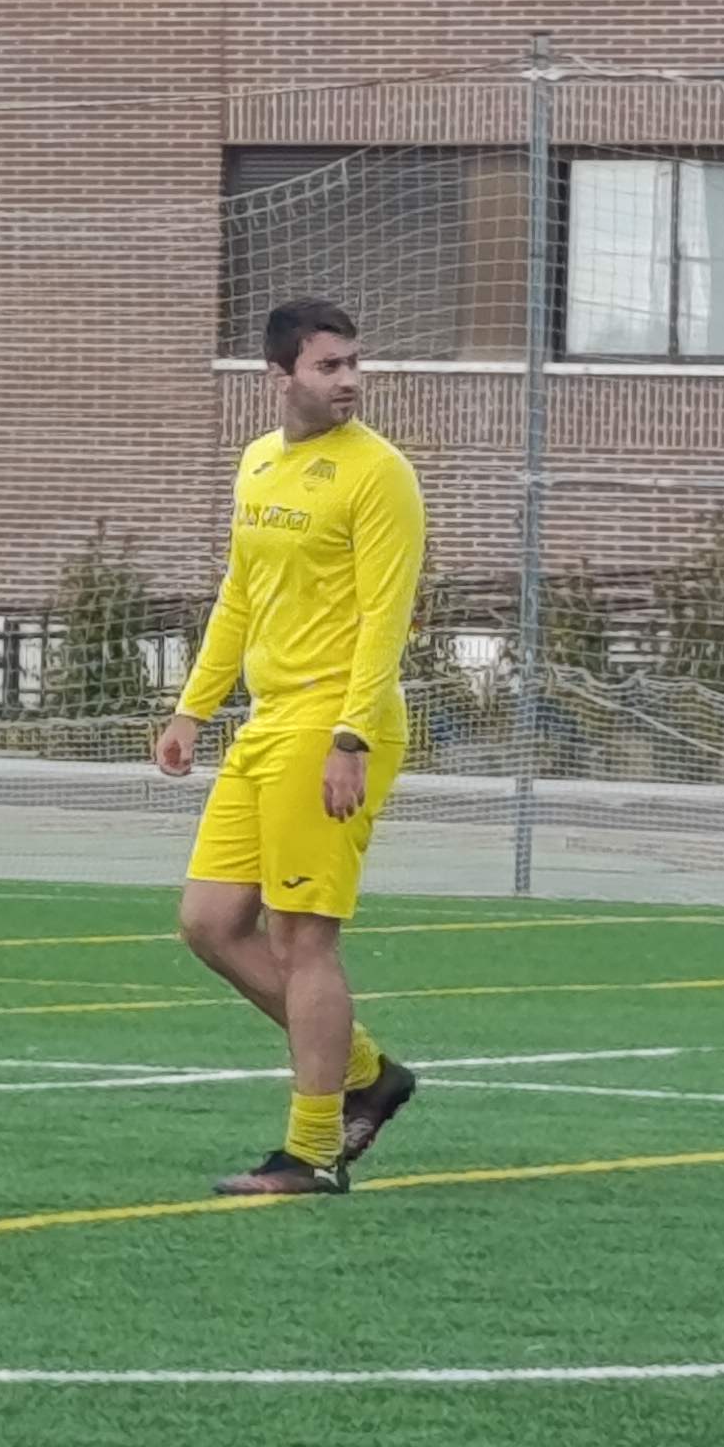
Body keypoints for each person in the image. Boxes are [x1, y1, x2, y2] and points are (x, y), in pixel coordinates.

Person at [152, 297, 427, 1197]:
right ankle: (368, 1073)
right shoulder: (259, 462)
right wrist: (193, 709)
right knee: (208, 923)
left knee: (302, 936)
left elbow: (386, 617)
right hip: (266, 722)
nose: (349, 380)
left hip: (335, 722)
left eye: (353, 363)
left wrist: (352, 735)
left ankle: (312, 1152)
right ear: (280, 376)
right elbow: (240, 595)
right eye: (327, 366)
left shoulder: (380, 474)